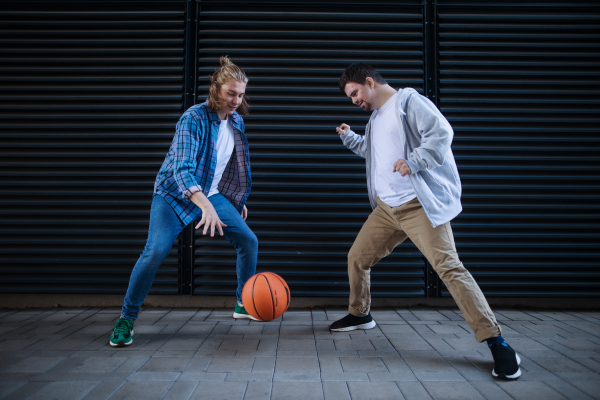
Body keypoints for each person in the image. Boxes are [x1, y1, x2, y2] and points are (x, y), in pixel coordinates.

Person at [331, 63, 521, 380]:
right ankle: (360, 314)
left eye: (354, 94)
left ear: (368, 82)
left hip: (418, 205)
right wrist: (351, 137)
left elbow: (441, 133)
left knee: (449, 267)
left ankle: (497, 342)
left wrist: (415, 161)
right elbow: (373, 152)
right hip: (386, 209)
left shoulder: (408, 102)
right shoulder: (376, 117)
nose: (354, 101)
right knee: (357, 258)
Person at [109, 57, 259, 348]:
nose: (236, 100)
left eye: (241, 95)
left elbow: (228, 165)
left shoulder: (236, 121)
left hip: (212, 195)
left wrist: (234, 200)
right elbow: (182, 170)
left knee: (249, 241)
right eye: (231, 93)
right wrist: (204, 205)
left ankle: (243, 303)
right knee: (155, 252)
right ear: (216, 89)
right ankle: (126, 319)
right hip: (174, 194)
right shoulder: (193, 118)